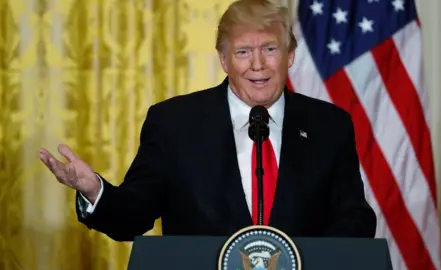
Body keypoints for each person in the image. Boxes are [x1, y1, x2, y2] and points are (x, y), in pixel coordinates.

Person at [39, 0, 376, 241]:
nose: (257, 64)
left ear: (290, 56)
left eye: (270, 49)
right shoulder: (173, 123)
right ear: (224, 59)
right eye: (243, 51)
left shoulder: (329, 125)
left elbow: (354, 218)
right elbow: (134, 215)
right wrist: (94, 190)